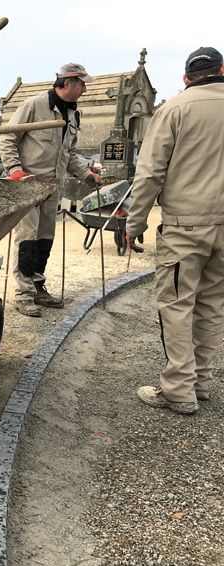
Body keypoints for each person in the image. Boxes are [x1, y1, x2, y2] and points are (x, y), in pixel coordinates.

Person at [126, 47, 224, 415]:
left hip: (186, 226)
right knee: (213, 304)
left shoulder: (175, 108)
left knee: (177, 305)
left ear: (186, 78)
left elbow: (150, 172)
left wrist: (134, 223)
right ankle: (201, 382)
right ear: (222, 69)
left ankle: (179, 390)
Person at [0, 63, 101, 317]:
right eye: (82, 84)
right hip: (28, 185)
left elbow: (71, 154)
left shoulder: (73, 114)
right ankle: (23, 296)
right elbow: (7, 137)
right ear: (67, 83)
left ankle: (37, 287)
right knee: (27, 241)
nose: (85, 90)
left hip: (53, 187)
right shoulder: (34, 106)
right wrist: (14, 170)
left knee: (45, 240)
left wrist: (86, 173)